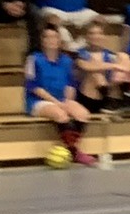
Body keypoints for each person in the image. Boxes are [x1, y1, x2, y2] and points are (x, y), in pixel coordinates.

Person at [23, 22, 96, 167]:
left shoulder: (67, 60)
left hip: (62, 99)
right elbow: (33, 86)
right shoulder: (34, 59)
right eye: (47, 37)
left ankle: (70, 148)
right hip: (39, 101)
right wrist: (57, 103)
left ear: (59, 40)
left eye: (54, 37)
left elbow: (71, 84)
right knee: (60, 115)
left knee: (82, 114)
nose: (51, 40)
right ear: (42, 40)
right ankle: (74, 152)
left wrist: (68, 101)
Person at [72, 21, 130, 114]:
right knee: (97, 73)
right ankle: (109, 103)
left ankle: (121, 100)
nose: (95, 36)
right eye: (91, 33)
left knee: (123, 57)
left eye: (99, 33)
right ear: (86, 37)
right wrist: (115, 66)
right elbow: (87, 66)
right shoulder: (79, 53)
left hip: (108, 93)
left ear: (104, 36)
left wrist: (121, 67)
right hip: (86, 97)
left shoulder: (110, 54)